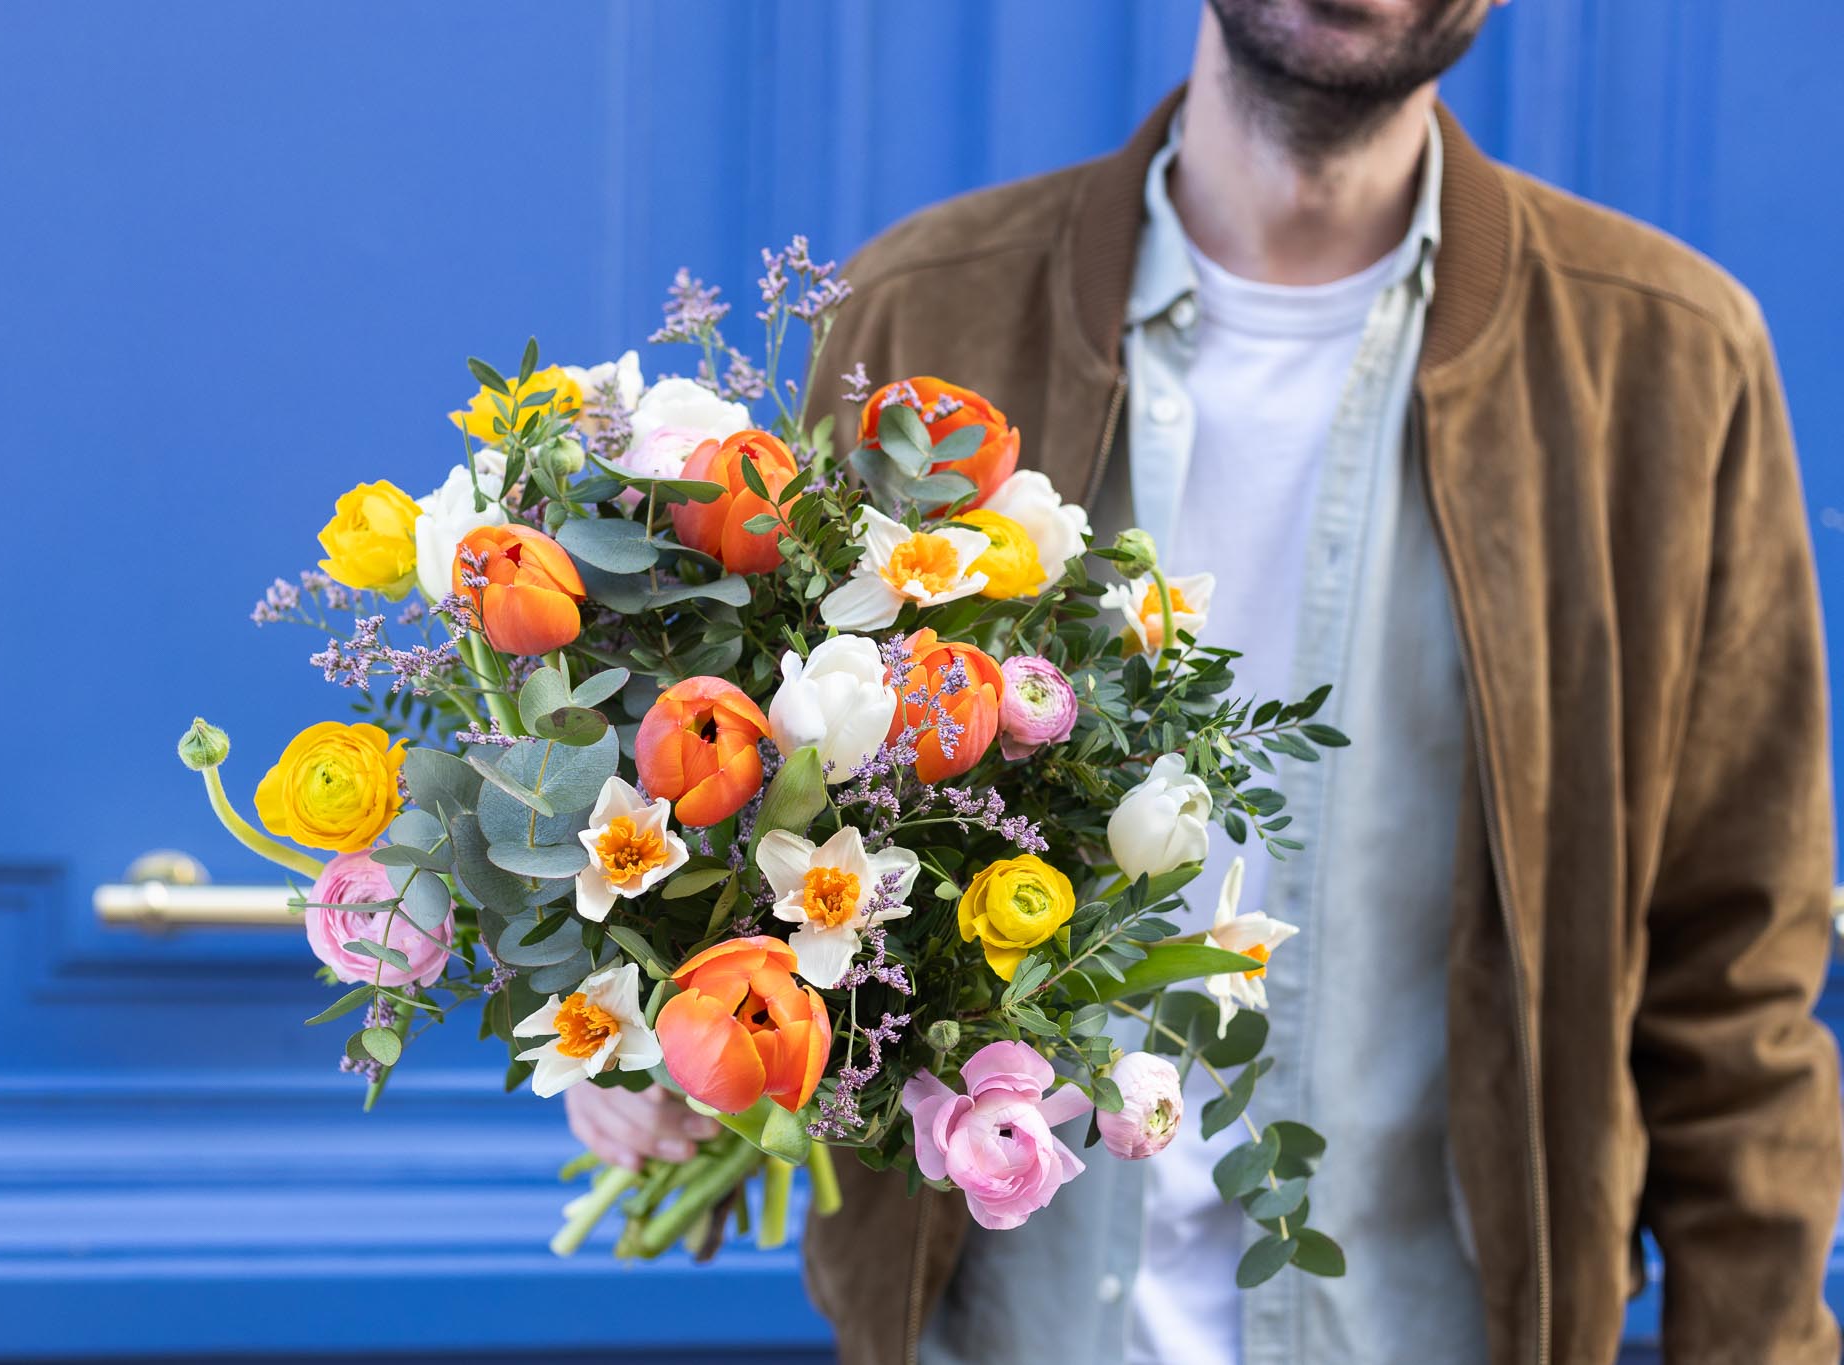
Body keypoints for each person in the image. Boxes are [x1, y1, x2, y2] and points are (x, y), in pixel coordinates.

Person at [569, 1, 1842, 1361]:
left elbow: (1734, 975)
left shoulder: (1666, 362)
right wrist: (654, 1056)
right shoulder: (926, 309)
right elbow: (757, 801)